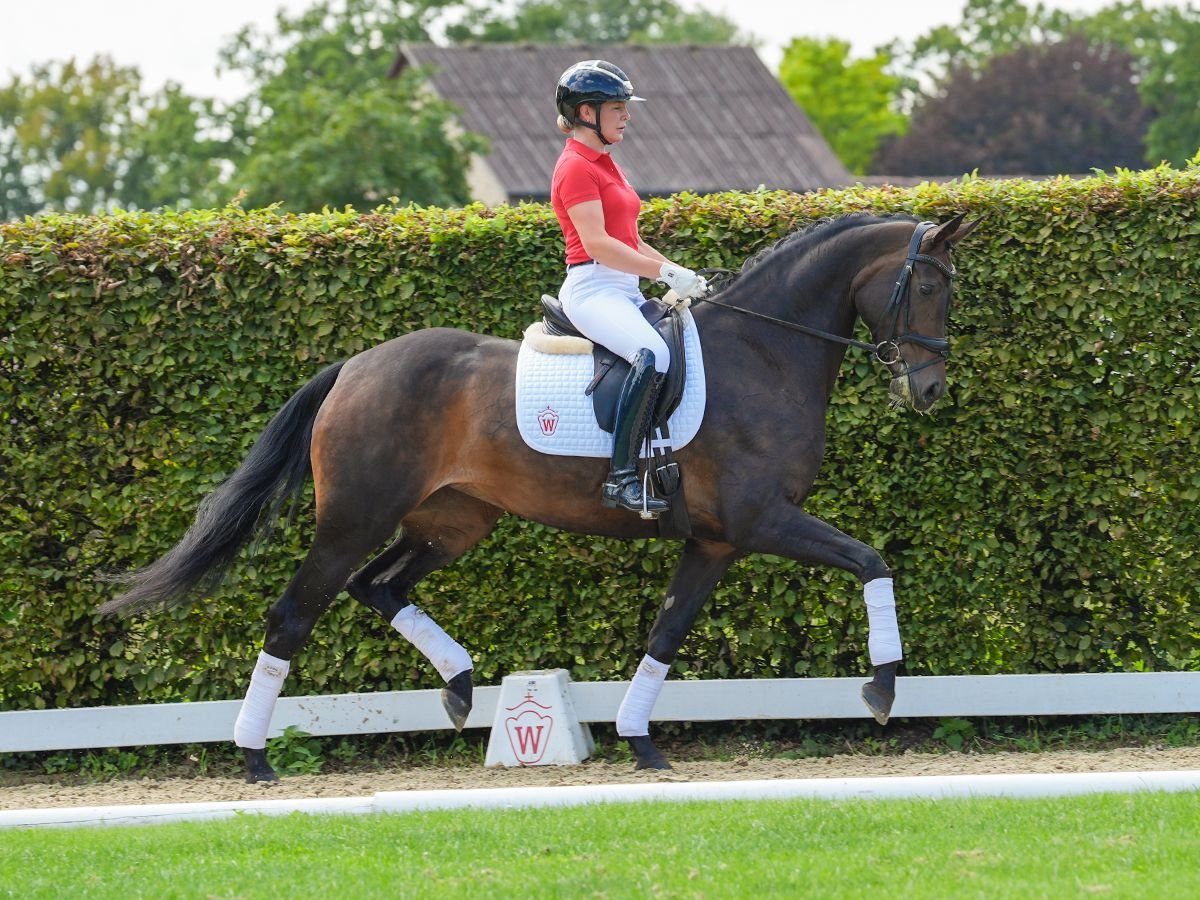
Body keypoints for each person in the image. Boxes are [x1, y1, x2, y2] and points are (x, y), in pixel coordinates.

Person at [551, 59, 709, 517]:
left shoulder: (605, 163)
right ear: (586, 113)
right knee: (652, 354)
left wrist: (678, 271)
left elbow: (631, 240)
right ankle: (620, 480)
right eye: (618, 107)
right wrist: (662, 275)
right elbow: (598, 245)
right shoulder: (576, 167)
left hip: (622, 287)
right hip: (592, 288)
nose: (627, 115)